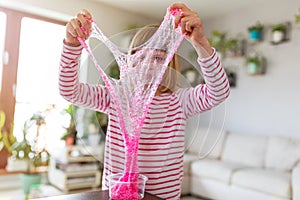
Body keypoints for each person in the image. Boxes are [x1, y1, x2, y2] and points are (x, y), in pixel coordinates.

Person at [59, 3, 230, 199]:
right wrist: (72, 46)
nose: (148, 64)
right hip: (116, 195)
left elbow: (219, 91)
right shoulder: (115, 96)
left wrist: (200, 42)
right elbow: (69, 90)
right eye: (141, 56)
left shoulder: (180, 102)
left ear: (169, 65)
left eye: (158, 58)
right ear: (129, 61)